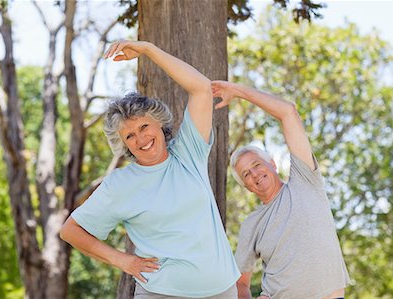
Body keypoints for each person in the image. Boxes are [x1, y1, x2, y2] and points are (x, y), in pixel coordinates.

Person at [60, 41, 240, 299]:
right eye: (130, 136)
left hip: (221, 289)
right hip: (161, 292)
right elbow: (70, 230)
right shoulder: (120, 184)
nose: (141, 139)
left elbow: (201, 88)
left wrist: (147, 50)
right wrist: (122, 260)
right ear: (124, 145)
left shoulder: (188, 152)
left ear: (159, 123)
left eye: (144, 127)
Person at [212, 80, 351, 299]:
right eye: (246, 174)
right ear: (247, 187)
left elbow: (288, 112)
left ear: (273, 164)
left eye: (257, 165)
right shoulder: (253, 224)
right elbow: (241, 284)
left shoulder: (305, 181)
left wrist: (238, 91)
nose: (255, 174)